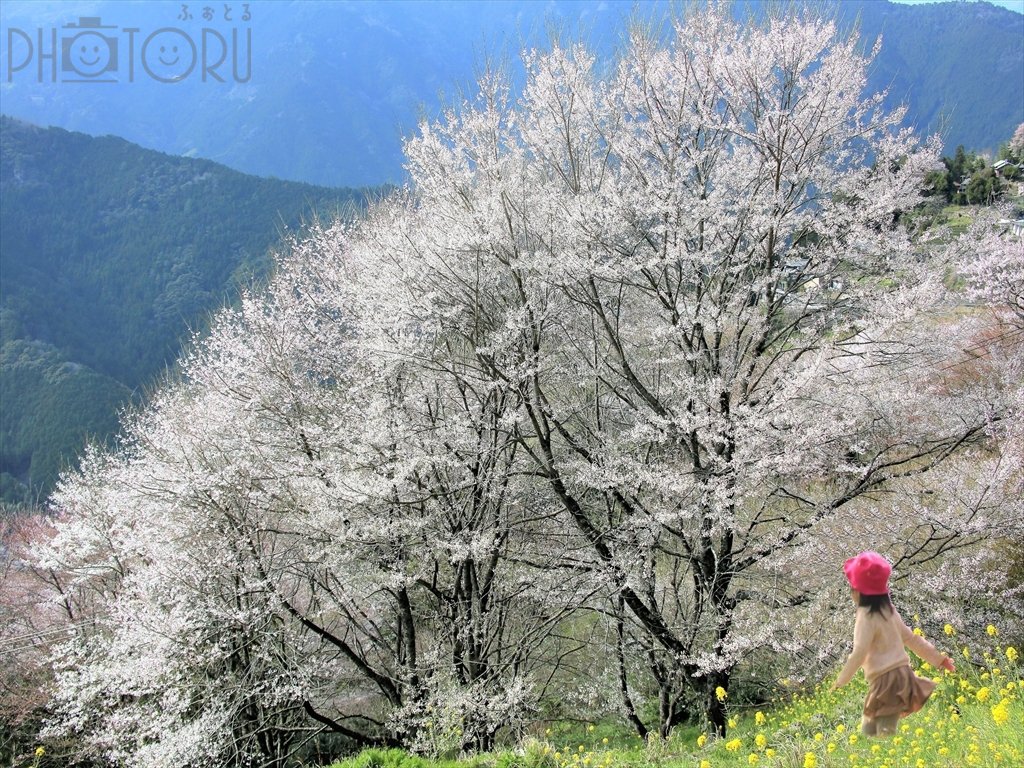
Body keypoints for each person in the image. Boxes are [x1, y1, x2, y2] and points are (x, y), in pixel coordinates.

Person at [831, 551, 955, 736]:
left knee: (875, 734)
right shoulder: (889, 611)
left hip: (885, 680)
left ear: (858, 592)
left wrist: (841, 680)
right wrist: (938, 659)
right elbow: (912, 639)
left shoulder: (866, 618)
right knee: (883, 732)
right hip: (903, 675)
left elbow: (859, 652)